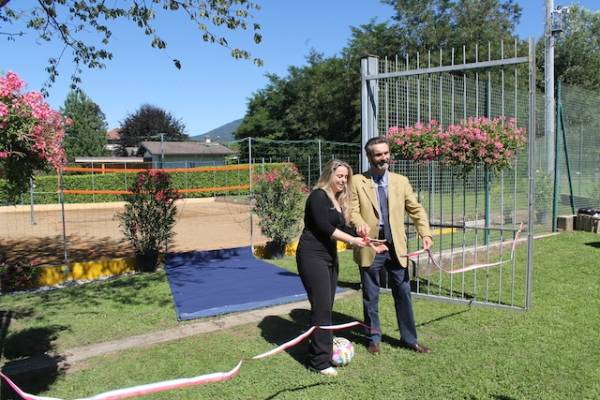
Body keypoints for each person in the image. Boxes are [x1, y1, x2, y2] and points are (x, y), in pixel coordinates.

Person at [296, 159, 386, 377]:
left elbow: (344, 227)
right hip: (311, 256)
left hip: (329, 256)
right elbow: (325, 227)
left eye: (346, 177)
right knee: (322, 308)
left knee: (324, 305)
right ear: (329, 174)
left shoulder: (337, 200)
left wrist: (369, 240)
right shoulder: (318, 196)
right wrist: (353, 242)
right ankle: (319, 362)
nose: (343, 180)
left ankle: (317, 350)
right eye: (340, 176)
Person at [350, 136, 433, 355]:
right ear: (369, 157)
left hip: (397, 248)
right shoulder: (357, 181)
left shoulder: (400, 181)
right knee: (371, 295)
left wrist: (425, 233)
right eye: (378, 154)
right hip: (371, 246)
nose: (384, 158)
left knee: (403, 292)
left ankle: (409, 339)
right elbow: (352, 211)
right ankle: (373, 338)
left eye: (386, 153)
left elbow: (415, 209)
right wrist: (359, 225)